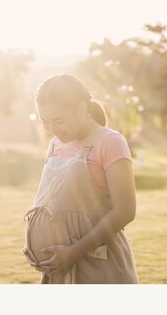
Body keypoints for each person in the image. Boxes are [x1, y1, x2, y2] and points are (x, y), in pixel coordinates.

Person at [22, 74, 139, 284]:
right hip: (58, 270)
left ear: (82, 107)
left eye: (59, 120)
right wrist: (34, 241)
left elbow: (126, 211)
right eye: (45, 121)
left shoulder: (110, 142)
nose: (52, 129)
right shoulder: (55, 144)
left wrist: (74, 252)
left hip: (100, 265)